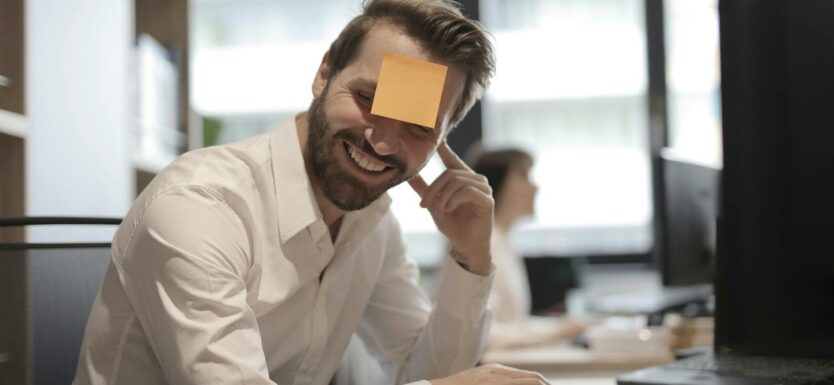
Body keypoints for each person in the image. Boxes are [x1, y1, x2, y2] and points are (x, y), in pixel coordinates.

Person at [73, 1, 550, 385]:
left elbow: (433, 375)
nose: (382, 142)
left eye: (418, 126)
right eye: (367, 100)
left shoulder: (373, 223)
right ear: (324, 74)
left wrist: (471, 257)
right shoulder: (201, 206)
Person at [469, 147, 587, 350]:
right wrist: (559, 330)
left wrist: (563, 325)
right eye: (524, 176)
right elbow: (485, 334)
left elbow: (513, 323)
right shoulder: (483, 244)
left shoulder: (501, 241)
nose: (535, 188)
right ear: (495, 183)